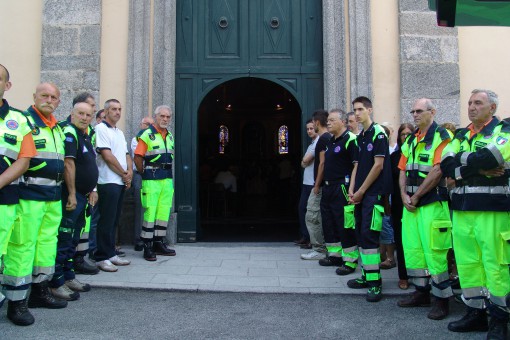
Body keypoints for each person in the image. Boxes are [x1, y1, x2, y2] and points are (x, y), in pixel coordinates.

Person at [441, 89, 509, 339]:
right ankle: (475, 313)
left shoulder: (504, 132)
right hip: (461, 209)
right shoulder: (461, 133)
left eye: (478, 103)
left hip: (492, 210)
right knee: (469, 264)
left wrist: (461, 166)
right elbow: (446, 164)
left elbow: (491, 157)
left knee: (495, 265)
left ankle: (499, 319)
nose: (471, 107)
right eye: (469, 102)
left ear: (492, 108)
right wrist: (469, 168)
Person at [2, 82, 67, 325]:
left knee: (46, 247)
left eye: (53, 97)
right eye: (44, 95)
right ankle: (16, 303)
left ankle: (41, 291)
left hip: (52, 198)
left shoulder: (57, 129)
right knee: (23, 247)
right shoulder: (25, 123)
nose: (49, 100)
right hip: (29, 197)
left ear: (58, 101)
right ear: (34, 97)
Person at [397, 98, 453, 320]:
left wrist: (417, 196)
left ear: (432, 111)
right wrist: (403, 195)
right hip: (411, 205)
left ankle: (442, 300)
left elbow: (438, 170)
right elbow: (402, 168)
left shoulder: (442, 137)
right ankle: (421, 293)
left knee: (435, 254)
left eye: (419, 111)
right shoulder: (411, 139)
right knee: (414, 251)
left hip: (431, 204)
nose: (414, 114)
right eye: (412, 111)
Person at [0, 64, 38, 325]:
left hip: (9, 197)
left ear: (7, 85)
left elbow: (24, 160)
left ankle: (17, 304)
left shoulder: (20, 120)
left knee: (17, 251)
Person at [49, 102, 98, 301]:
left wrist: (92, 189)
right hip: (72, 195)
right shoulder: (69, 132)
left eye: (88, 114)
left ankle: (68, 276)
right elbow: (69, 164)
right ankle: (57, 282)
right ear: (72, 113)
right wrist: (71, 193)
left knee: (74, 239)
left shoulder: (84, 134)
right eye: (81, 114)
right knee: (64, 238)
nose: (85, 117)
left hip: (83, 195)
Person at [347, 96, 392, 302]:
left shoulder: (378, 133)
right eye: (354, 110)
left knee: (370, 236)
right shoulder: (360, 137)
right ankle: (366, 275)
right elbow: (356, 166)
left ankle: (375, 283)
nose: (356, 114)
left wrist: (362, 191)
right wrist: (352, 189)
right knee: (361, 235)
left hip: (373, 194)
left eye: (360, 109)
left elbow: (378, 166)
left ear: (369, 110)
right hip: (360, 195)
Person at [318, 109, 359, 273]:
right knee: (329, 222)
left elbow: (357, 164)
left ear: (343, 122)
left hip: (342, 187)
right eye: (328, 120)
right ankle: (335, 255)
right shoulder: (330, 141)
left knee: (344, 224)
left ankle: (350, 261)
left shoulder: (351, 139)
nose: (328, 123)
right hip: (328, 187)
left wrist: (351, 189)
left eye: (332, 120)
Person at [94, 99, 132, 271]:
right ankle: (101, 256)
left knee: (115, 220)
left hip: (119, 181)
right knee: (106, 221)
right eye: (114, 109)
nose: (117, 112)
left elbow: (126, 154)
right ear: (106, 111)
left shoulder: (119, 132)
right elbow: (107, 157)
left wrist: (129, 172)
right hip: (108, 181)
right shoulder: (100, 128)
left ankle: (111, 253)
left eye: (119, 109)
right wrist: (124, 174)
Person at [134, 105, 176, 261]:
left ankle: (159, 242)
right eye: (162, 116)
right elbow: (138, 156)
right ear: (156, 116)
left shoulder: (170, 135)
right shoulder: (146, 135)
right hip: (151, 178)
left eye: (168, 117)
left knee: (163, 212)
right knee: (150, 213)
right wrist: (143, 173)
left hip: (166, 178)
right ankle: (147, 246)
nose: (165, 119)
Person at [300, 110, 330, 260]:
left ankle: (318, 249)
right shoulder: (326, 139)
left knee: (312, 216)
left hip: (318, 184)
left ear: (317, 123)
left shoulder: (322, 140)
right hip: (324, 184)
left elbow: (322, 163)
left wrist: (317, 185)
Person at [390, 123, 414, 290]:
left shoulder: (417, 153)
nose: (405, 137)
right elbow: (389, 182)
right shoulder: (394, 156)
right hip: (399, 203)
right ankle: (403, 276)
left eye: (408, 134)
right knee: (400, 239)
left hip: (418, 201)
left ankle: (422, 276)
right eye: (402, 134)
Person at [131, 116, 154, 251]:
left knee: (152, 208)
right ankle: (139, 239)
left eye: (152, 124)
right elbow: (140, 156)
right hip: (141, 175)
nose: (150, 126)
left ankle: (153, 238)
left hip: (155, 177)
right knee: (141, 208)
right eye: (147, 124)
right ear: (141, 125)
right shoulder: (136, 139)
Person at [295, 119, 318, 247]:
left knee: (311, 212)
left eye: (311, 128)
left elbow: (305, 161)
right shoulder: (311, 145)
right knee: (302, 209)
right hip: (307, 183)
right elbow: (303, 162)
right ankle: (305, 236)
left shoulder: (318, 143)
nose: (309, 131)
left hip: (313, 183)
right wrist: (305, 161)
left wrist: (305, 161)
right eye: (307, 129)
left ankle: (311, 239)